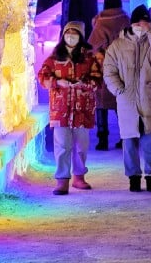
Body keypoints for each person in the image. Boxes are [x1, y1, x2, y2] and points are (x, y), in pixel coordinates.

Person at [103, 5, 151, 194]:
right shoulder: (118, 45)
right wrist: (118, 89)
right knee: (129, 143)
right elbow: (109, 69)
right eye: (138, 23)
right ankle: (133, 179)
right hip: (128, 101)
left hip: (150, 100)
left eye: (145, 23)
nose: (141, 27)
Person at [36, 21, 102, 195]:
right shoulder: (54, 57)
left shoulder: (89, 58)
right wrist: (57, 82)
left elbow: (98, 79)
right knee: (62, 145)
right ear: (63, 35)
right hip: (61, 109)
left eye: (75, 33)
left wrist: (85, 84)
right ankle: (62, 180)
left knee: (81, 145)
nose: (71, 36)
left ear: (80, 36)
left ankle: (79, 177)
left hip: (82, 109)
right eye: (68, 33)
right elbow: (42, 76)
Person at [88, 0, 130, 151]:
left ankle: (102, 138)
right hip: (122, 66)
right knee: (121, 103)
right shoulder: (125, 19)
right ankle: (125, 137)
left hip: (103, 65)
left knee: (101, 103)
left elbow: (93, 44)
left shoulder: (101, 21)